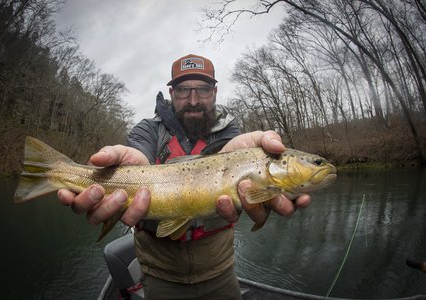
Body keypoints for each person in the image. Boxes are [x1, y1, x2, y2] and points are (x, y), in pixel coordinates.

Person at [58, 54, 311, 300]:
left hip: (220, 273)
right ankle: (58, 171)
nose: (193, 100)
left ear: (214, 92)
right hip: (159, 275)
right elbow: (136, 155)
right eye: (183, 90)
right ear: (171, 94)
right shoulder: (148, 130)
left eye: (202, 89)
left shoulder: (232, 136)